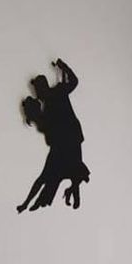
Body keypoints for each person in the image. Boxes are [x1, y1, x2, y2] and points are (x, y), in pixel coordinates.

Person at [17, 58, 90, 213]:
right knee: (57, 171)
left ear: (42, 88)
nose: (37, 95)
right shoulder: (53, 100)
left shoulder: (58, 92)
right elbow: (46, 128)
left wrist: (63, 66)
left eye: (37, 91)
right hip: (65, 141)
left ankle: (69, 194)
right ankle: (37, 201)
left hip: (71, 138)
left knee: (69, 168)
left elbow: (74, 81)